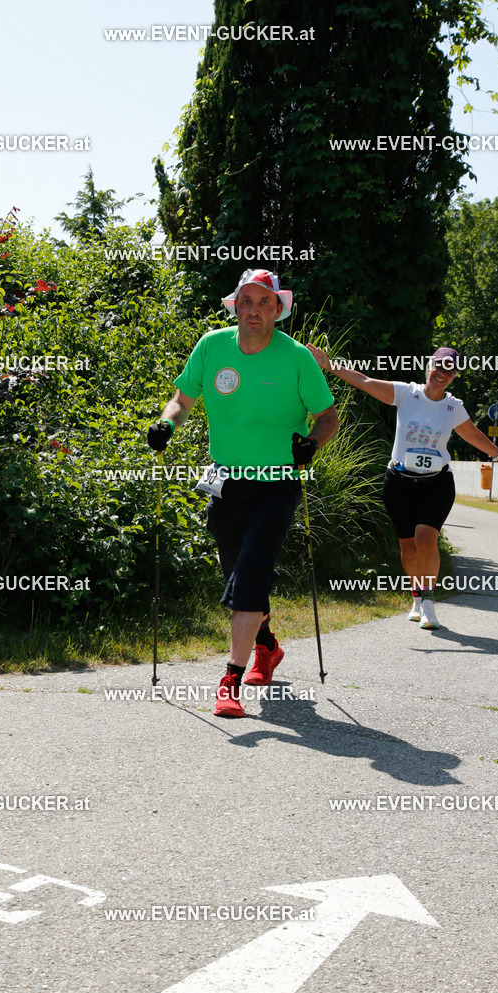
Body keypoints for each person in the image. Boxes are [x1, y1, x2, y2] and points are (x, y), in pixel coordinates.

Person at [147, 268, 338, 718]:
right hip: (227, 478)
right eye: (246, 302)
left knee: (252, 568)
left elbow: (327, 415)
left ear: (278, 309)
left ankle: (230, 680)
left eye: (263, 303)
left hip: (279, 481)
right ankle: (267, 644)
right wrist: (166, 424)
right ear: (236, 306)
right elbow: (182, 399)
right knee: (236, 569)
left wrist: (312, 443)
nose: (253, 310)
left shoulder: (295, 357)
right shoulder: (213, 346)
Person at [307, 343, 498, 628]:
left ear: (454, 376)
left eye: (449, 370)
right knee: (408, 547)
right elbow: (365, 381)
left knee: (426, 540)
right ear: (428, 367)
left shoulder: (453, 407)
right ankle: (416, 597)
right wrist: (329, 365)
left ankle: (430, 603)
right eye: (438, 366)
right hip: (399, 482)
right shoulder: (406, 394)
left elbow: (473, 435)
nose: (442, 373)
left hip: (437, 484)